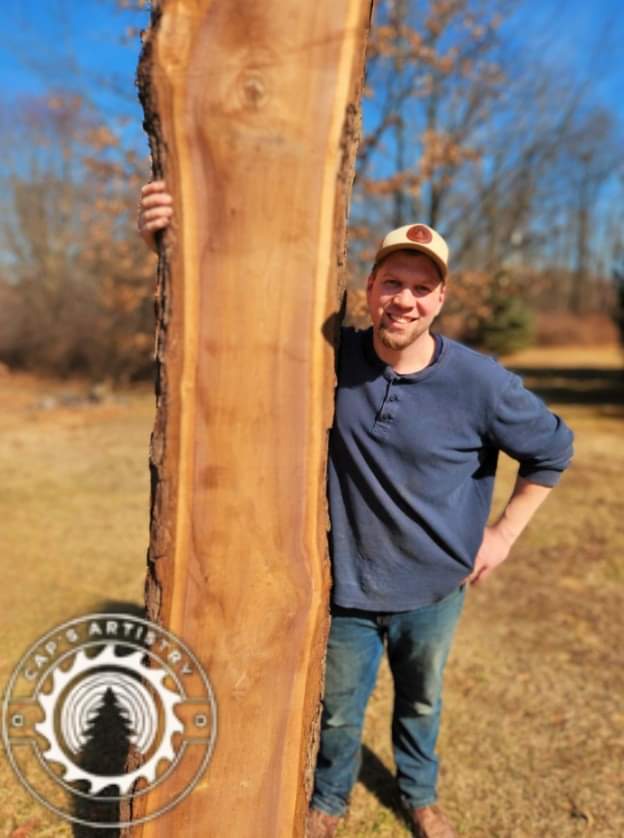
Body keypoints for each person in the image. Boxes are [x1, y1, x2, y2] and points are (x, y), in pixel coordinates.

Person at [138, 184, 574, 838]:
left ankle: (420, 796)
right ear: (368, 287)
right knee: (339, 710)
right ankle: (330, 801)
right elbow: (233, 323)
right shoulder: (327, 360)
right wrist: (168, 243)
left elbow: (553, 449)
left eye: (422, 288)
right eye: (392, 282)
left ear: (441, 299)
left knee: (420, 702)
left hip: (435, 588)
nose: (405, 300)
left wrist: (503, 535)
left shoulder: (479, 382)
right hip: (345, 588)